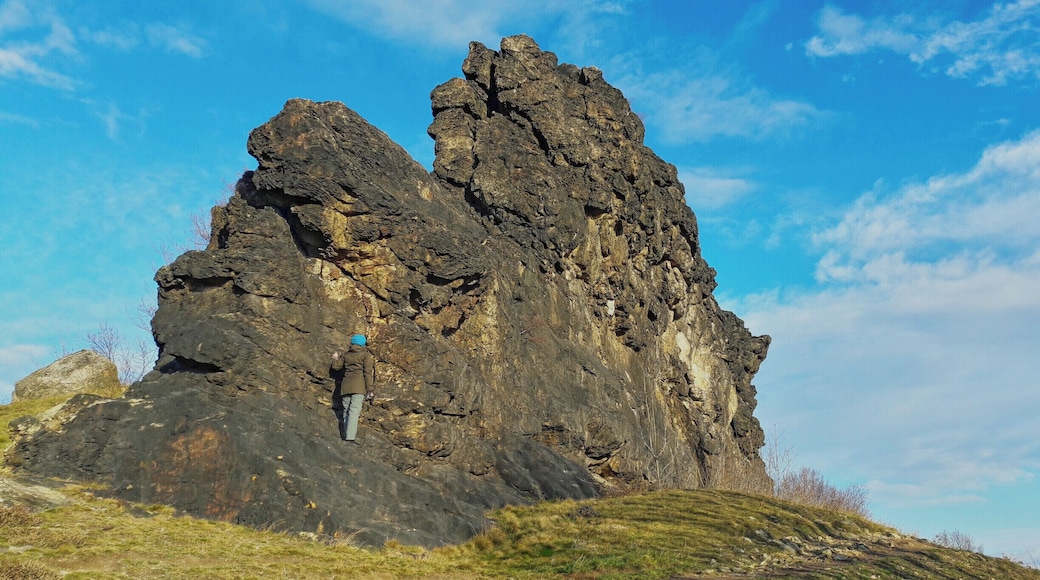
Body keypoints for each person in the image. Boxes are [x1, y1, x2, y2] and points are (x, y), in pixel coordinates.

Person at [330, 334, 375, 445]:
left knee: (346, 411)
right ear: (363, 344)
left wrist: (336, 358)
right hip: (359, 387)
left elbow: (337, 367)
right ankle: (350, 438)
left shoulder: (346, 355)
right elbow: (367, 373)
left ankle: (346, 435)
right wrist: (370, 389)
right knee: (354, 411)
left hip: (345, 386)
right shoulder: (366, 356)